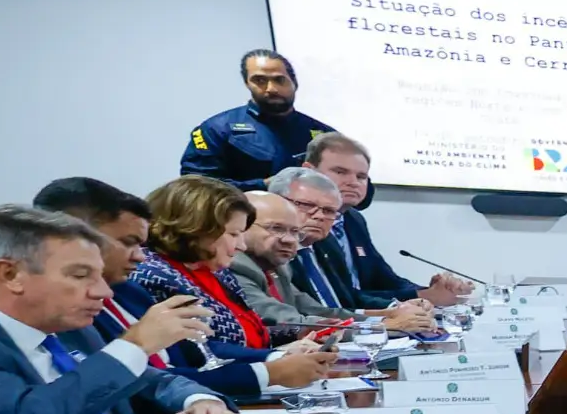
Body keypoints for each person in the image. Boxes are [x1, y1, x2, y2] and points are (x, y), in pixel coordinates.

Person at [0, 205, 239, 414]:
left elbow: (147, 380)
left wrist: (198, 400)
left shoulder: (66, 324)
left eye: (100, 275)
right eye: (81, 275)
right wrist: (136, 344)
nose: (104, 292)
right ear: (10, 274)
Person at [33, 175, 305, 406]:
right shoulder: (149, 278)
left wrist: (275, 358)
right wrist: (268, 371)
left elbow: (189, 352)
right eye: (233, 234)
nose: (139, 256)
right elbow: (130, 381)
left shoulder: (131, 290)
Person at [127, 177, 333, 399]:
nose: (242, 245)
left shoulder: (216, 270)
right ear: (196, 228)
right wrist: (273, 363)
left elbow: (248, 332)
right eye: (234, 234)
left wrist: (292, 343)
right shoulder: (153, 275)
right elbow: (197, 352)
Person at [308, 133, 468, 308]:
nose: (353, 182)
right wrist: (422, 296)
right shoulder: (301, 223)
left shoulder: (353, 219)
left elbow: (385, 279)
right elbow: (342, 297)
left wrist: (433, 291)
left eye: (361, 176)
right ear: (309, 171)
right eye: (340, 172)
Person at [270, 167, 433, 333]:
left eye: (328, 211)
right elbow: (297, 319)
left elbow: (344, 300)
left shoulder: (327, 244)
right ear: (276, 203)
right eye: (306, 205)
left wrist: (394, 308)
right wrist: (381, 325)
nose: (319, 216)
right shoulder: (271, 255)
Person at [180, 50, 335, 189]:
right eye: (260, 80)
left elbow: (356, 192)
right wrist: (263, 185)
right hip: (244, 217)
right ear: (247, 83)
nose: (271, 89)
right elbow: (196, 188)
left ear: (294, 82)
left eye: (279, 80)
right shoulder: (216, 130)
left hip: (315, 218)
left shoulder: (325, 134)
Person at [228, 193, 348, 337]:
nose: (289, 240)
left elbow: (316, 310)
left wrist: (374, 323)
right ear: (241, 227)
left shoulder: (278, 267)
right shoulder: (233, 266)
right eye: (276, 228)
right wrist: (364, 332)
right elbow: (285, 321)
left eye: (295, 232)